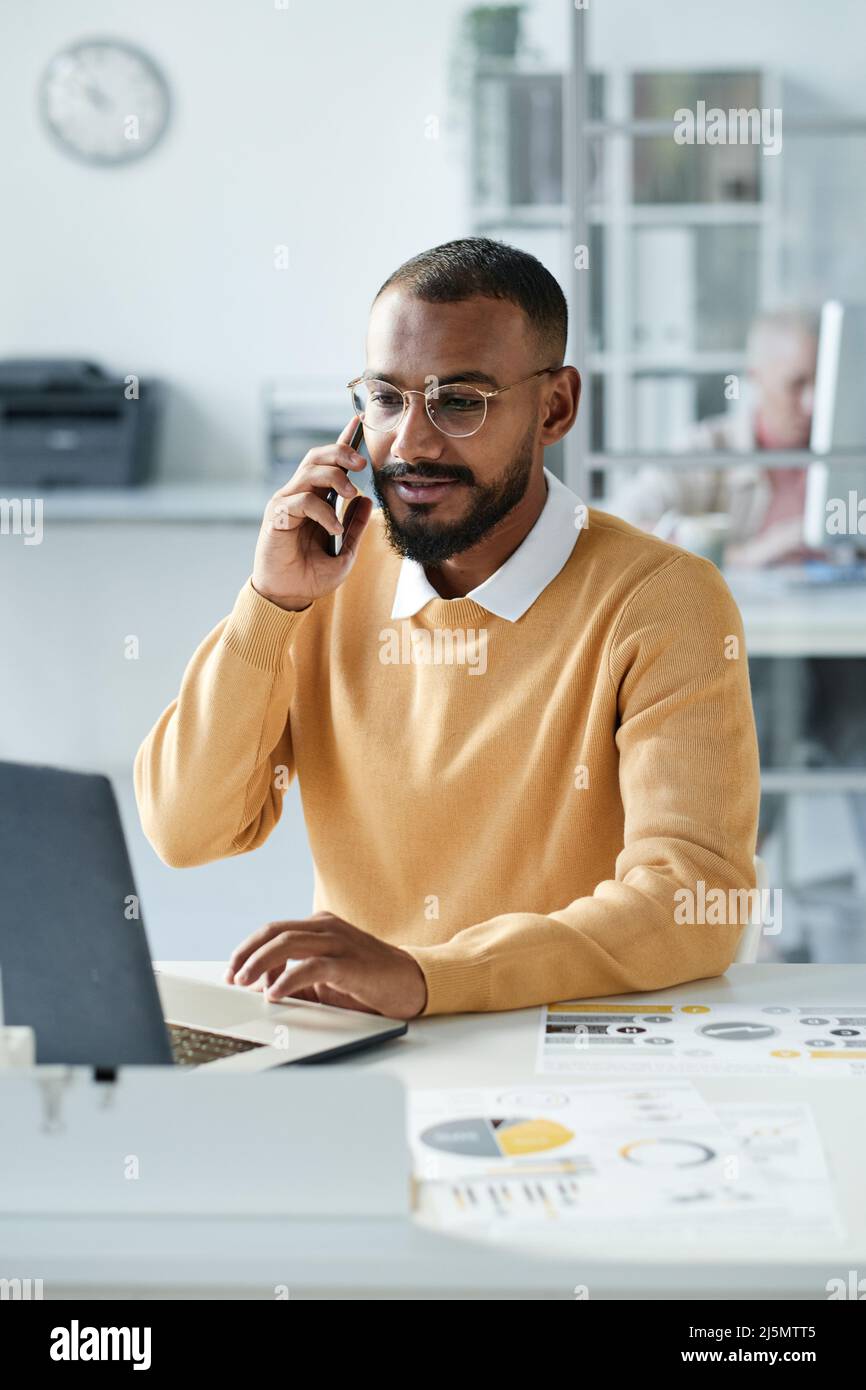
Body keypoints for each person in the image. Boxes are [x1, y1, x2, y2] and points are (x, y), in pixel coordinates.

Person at [134, 237, 761, 1018]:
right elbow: (185, 831)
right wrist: (269, 605)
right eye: (387, 399)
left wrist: (432, 976)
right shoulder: (323, 578)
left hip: (564, 1040)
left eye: (460, 401)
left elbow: (695, 902)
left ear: (555, 406)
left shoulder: (663, 599)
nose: (413, 442)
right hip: (360, 1043)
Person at [611, 308, 821, 567]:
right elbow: (620, 527)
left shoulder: (849, 453)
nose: (813, 403)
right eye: (796, 384)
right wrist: (746, 555)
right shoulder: (709, 448)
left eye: (823, 382)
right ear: (756, 377)